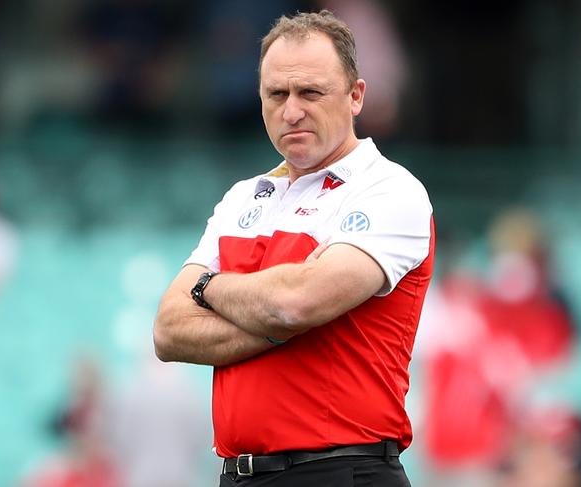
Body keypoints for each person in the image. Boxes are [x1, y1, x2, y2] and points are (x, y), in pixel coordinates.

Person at [154, 10, 435, 487]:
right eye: (276, 94)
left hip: (341, 470)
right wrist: (275, 319)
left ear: (356, 96)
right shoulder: (243, 196)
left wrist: (207, 287)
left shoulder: (391, 190)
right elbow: (167, 332)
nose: (291, 111)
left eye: (310, 92)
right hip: (239, 475)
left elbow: (294, 303)